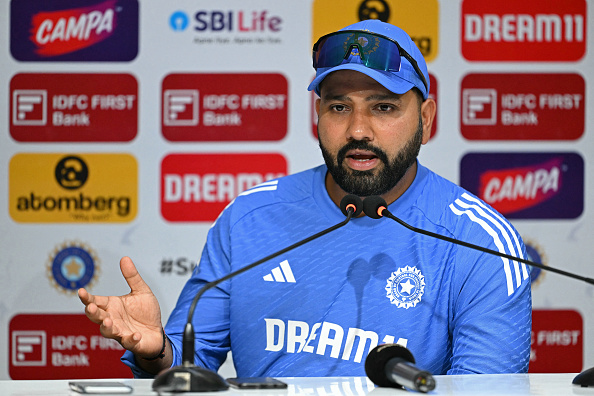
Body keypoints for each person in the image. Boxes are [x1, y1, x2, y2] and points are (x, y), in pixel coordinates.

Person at [79, 19, 531, 378]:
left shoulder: (479, 240)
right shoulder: (251, 218)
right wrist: (157, 351)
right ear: (317, 115)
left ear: (426, 119)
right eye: (338, 106)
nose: (358, 129)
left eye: (383, 107)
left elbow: (487, 389)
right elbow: (186, 369)